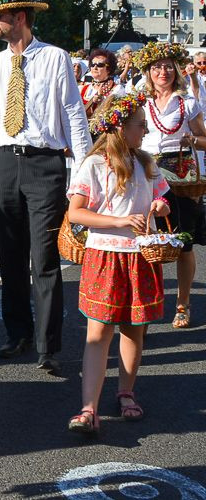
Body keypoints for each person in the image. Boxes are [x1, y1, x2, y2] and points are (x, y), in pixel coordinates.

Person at [0, 0, 91, 374]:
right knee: (10, 255)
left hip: (44, 164)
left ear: (19, 17)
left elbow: (74, 116)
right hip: (4, 163)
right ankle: (17, 332)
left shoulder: (55, 58)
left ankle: (48, 345)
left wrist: (85, 177)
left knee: (45, 258)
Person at [65, 94, 169, 436]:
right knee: (98, 332)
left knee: (133, 328)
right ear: (121, 127)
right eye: (140, 124)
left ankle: (126, 391)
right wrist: (119, 221)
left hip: (140, 255)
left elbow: (159, 199)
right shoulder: (95, 164)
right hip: (105, 255)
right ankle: (88, 408)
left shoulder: (146, 162)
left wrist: (159, 207)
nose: (146, 129)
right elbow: (76, 213)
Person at [133, 41, 206, 329]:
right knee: (147, 242)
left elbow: (204, 138)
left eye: (167, 67)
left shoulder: (187, 103)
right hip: (147, 172)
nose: (162, 72)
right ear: (148, 72)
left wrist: (192, 140)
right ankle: (146, 308)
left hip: (180, 175)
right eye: (156, 67)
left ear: (176, 70)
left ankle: (182, 304)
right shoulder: (139, 101)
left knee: (183, 243)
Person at [81, 48, 121, 118]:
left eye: (100, 65)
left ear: (109, 69)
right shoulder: (82, 88)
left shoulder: (116, 89)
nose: (95, 67)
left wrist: (102, 103)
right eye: (92, 65)